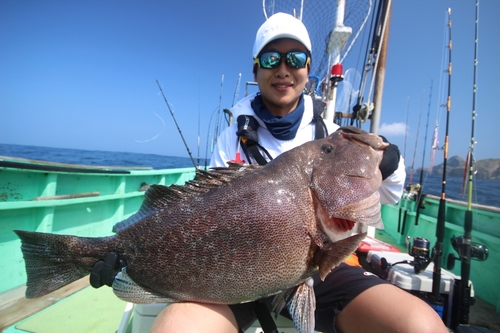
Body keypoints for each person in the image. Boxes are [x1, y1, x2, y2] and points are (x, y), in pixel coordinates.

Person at [149, 12, 448, 333]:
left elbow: (388, 193)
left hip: (324, 265)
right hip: (238, 272)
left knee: (421, 325)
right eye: (270, 59)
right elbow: (207, 215)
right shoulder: (231, 137)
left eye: (295, 58)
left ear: (308, 69)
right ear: (256, 67)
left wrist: (390, 164)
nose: (283, 69)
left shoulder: (333, 136)